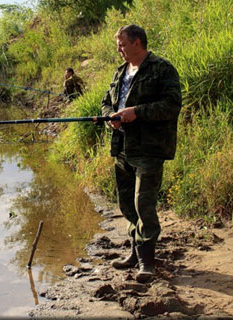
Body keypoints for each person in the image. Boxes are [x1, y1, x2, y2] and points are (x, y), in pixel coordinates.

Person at [101, 24, 181, 279]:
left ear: (137, 42)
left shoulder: (162, 69)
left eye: (122, 44)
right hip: (122, 147)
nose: (119, 49)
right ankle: (134, 252)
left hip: (149, 148)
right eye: (118, 45)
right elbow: (106, 102)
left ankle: (147, 261)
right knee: (126, 203)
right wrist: (110, 117)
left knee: (143, 203)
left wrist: (136, 112)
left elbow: (171, 105)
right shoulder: (120, 72)